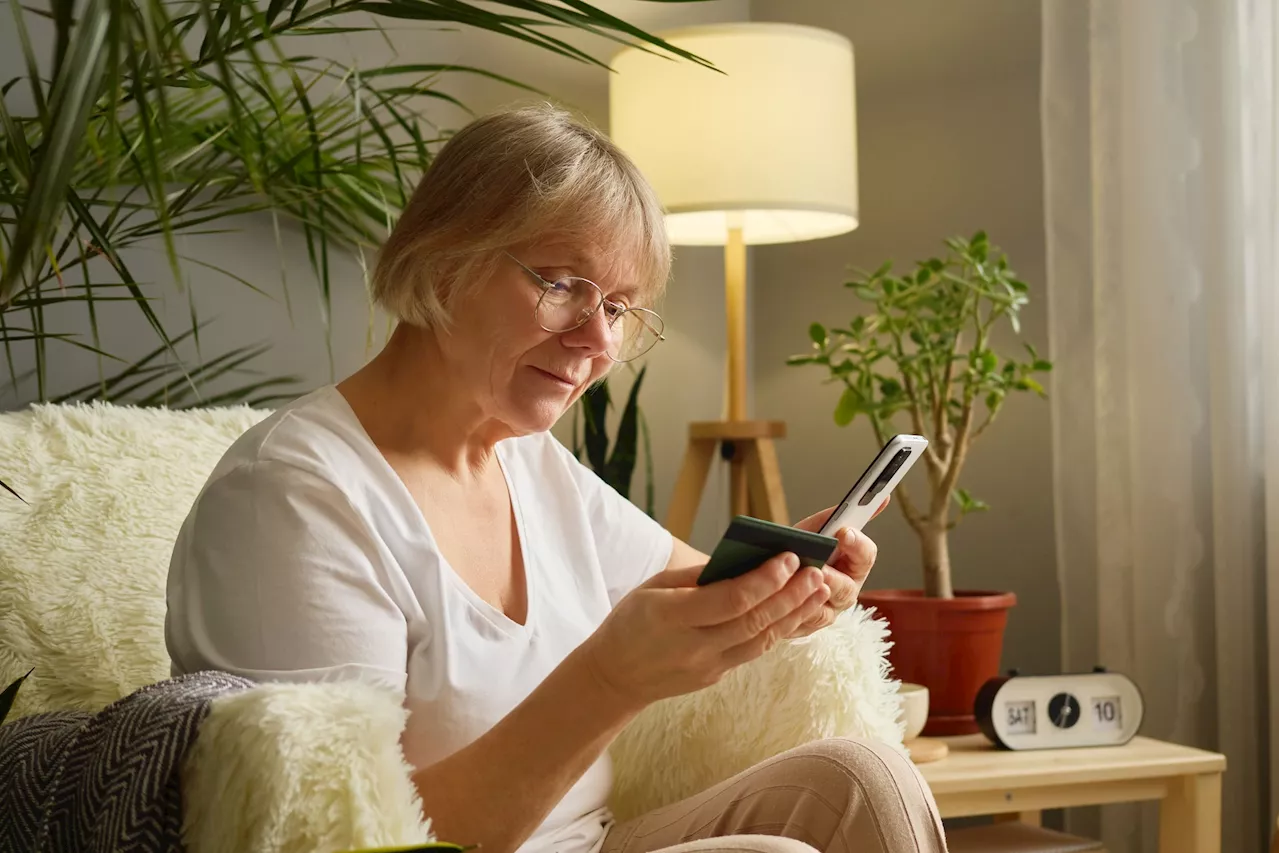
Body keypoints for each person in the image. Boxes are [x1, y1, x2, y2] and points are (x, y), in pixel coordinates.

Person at [164, 103, 947, 853]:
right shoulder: (293, 499)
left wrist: (792, 580)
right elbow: (350, 841)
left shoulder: (525, 461)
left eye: (619, 306)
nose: (596, 341)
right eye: (561, 283)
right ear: (445, 260)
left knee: (863, 778)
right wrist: (607, 681)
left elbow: (699, 588)